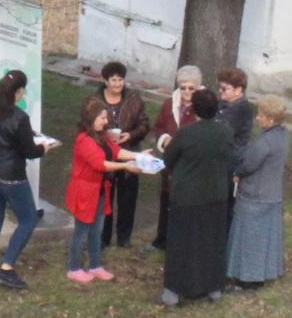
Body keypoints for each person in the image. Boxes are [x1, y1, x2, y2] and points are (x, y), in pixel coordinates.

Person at [0, 70, 48, 291]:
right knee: (28, 219)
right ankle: (7, 268)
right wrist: (44, 147)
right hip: (10, 176)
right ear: (19, 91)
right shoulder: (20, 118)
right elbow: (30, 151)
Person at [160, 89, 234, 306]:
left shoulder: (186, 133)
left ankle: (173, 291)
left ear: (194, 109)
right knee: (212, 242)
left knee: (181, 244)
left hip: (188, 196)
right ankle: (213, 287)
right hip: (216, 194)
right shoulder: (226, 132)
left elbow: (169, 158)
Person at [64, 99, 140, 286]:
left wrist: (139, 156)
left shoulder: (101, 137)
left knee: (97, 230)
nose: (105, 121)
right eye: (102, 117)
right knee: (81, 232)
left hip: (99, 191)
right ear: (91, 118)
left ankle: (95, 265)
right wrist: (126, 167)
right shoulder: (84, 140)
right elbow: (100, 164)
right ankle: (74, 268)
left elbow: (116, 151)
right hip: (85, 192)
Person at [227, 96, 291, 290]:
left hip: (255, 196)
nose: (257, 118)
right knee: (267, 239)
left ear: (270, 119)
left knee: (250, 240)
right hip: (273, 195)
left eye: (261, 115)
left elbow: (249, 165)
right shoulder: (283, 136)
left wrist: (237, 173)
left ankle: (248, 279)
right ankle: (265, 272)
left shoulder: (264, 143)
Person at [149, 65, 203, 251]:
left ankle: (180, 242)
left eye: (191, 88)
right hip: (170, 161)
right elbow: (158, 127)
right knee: (166, 199)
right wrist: (164, 139)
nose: (187, 92)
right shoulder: (169, 104)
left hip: (190, 164)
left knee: (184, 204)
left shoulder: (203, 106)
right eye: (183, 87)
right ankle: (162, 239)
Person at [99, 62, 151, 249]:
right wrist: (105, 136)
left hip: (129, 152)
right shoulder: (96, 101)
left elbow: (144, 125)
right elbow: (88, 124)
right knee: (106, 198)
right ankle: (103, 236)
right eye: (113, 80)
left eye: (121, 80)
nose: (117, 84)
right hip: (105, 155)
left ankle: (124, 236)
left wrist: (131, 134)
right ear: (105, 81)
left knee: (128, 198)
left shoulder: (134, 99)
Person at [214, 67, 257, 192]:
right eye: (220, 87)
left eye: (224, 89)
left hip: (230, 163)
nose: (220, 91)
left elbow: (222, 132)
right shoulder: (223, 104)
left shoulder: (242, 109)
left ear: (238, 90)